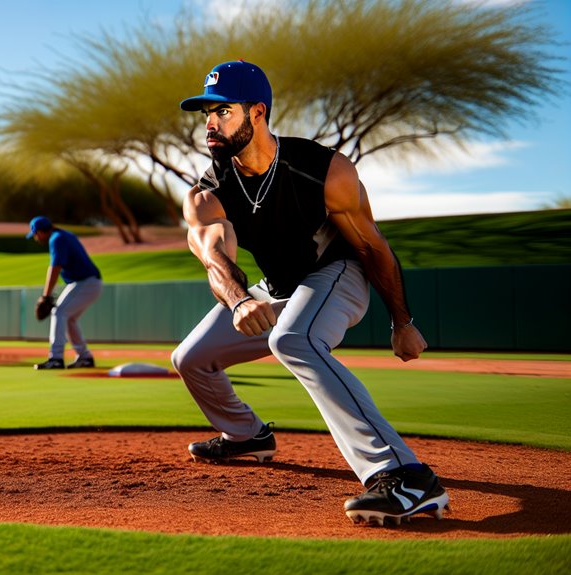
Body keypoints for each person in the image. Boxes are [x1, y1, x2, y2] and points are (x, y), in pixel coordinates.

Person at [172, 60, 449, 526]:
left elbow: (372, 247)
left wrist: (402, 322)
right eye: (206, 113)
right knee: (190, 358)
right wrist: (240, 300)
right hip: (275, 288)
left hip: (337, 273)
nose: (210, 123)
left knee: (292, 340)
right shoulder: (208, 191)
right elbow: (214, 256)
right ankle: (247, 436)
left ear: (258, 112)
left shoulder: (323, 168)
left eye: (223, 111)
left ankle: (405, 475)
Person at [27, 216, 102, 369]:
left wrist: (46, 296)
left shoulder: (57, 239)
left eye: (35, 234)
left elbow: (55, 268)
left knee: (59, 312)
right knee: (68, 318)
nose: (35, 238)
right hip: (88, 282)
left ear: (40, 231)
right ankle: (84, 357)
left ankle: (56, 358)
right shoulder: (64, 235)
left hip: (85, 282)